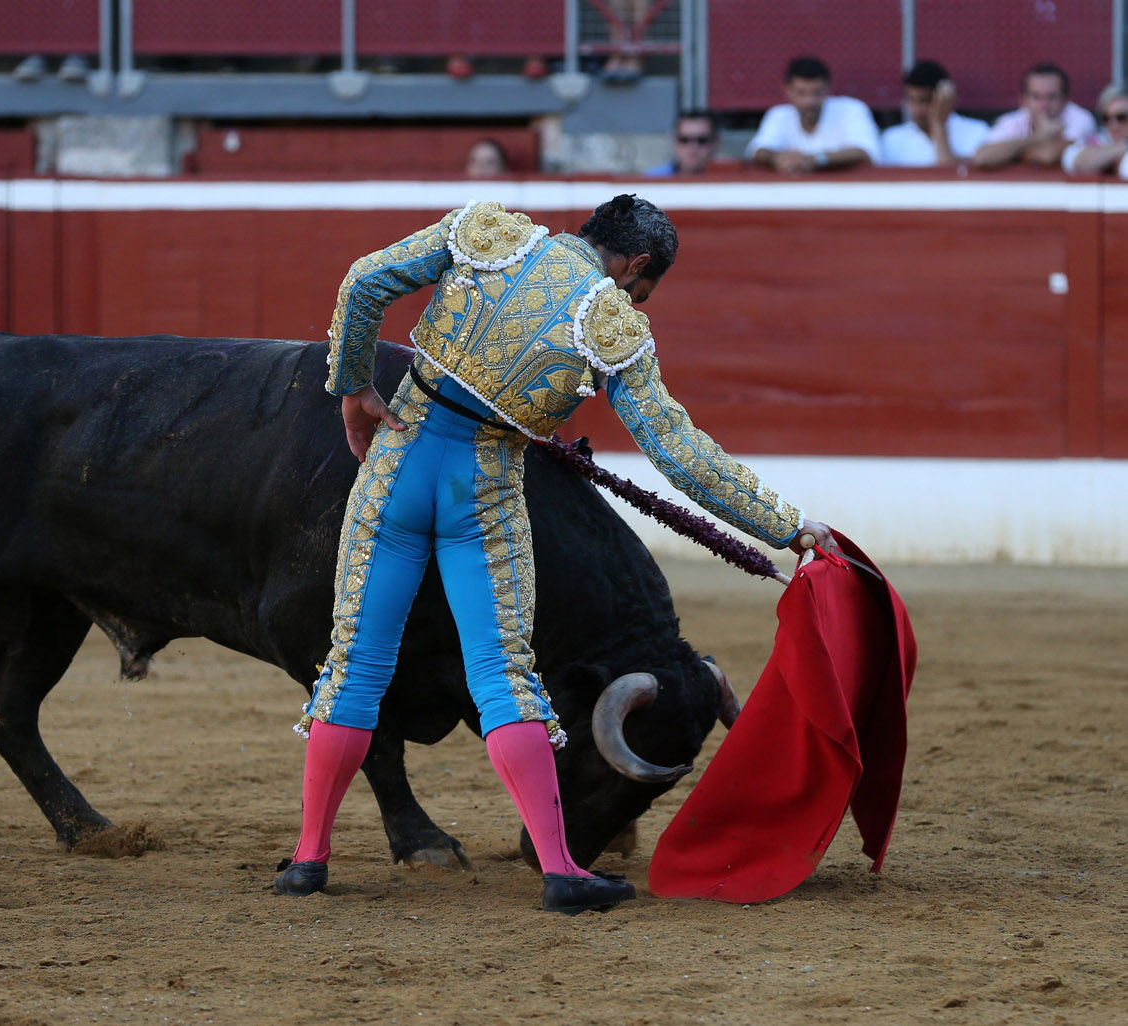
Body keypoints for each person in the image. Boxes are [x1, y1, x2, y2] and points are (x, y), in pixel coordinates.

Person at [276, 194, 834, 913]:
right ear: (636, 265)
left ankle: (309, 860)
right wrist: (785, 525)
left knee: (355, 665)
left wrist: (354, 385)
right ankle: (561, 871)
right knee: (501, 675)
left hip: (397, 464)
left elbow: (363, 283)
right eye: (642, 288)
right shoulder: (612, 324)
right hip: (482, 489)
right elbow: (678, 451)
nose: (634, 300)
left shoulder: (486, 231)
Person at [747, 56, 880, 173]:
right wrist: (777, 158)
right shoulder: (778, 115)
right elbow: (757, 151)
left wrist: (817, 159)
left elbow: (866, 153)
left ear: (828, 89)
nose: (809, 101)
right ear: (787, 91)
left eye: (817, 92)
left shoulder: (851, 109)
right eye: (801, 93)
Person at [972, 62, 1096, 170]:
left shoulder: (1080, 118)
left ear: (1066, 99)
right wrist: (1040, 136)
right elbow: (982, 157)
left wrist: (1011, 153)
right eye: (1036, 97)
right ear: (1023, 100)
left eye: (1052, 97)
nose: (1044, 105)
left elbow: (1048, 156)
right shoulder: (1013, 121)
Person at [878, 60, 990, 167]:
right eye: (911, 100)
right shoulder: (892, 139)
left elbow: (951, 176)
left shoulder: (976, 132)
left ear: (944, 98)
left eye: (925, 101)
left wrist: (938, 124)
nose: (917, 110)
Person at [1062, 83, 1128, 178]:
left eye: (1121, 117)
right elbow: (1076, 162)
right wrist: (1122, 147)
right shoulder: (1101, 139)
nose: (1114, 126)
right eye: (1106, 118)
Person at [644, 111, 721, 176]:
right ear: (674, 141)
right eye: (684, 140)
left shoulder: (725, 180)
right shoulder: (652, 179)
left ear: (715, 142)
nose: (693, 147)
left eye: (702, 140)